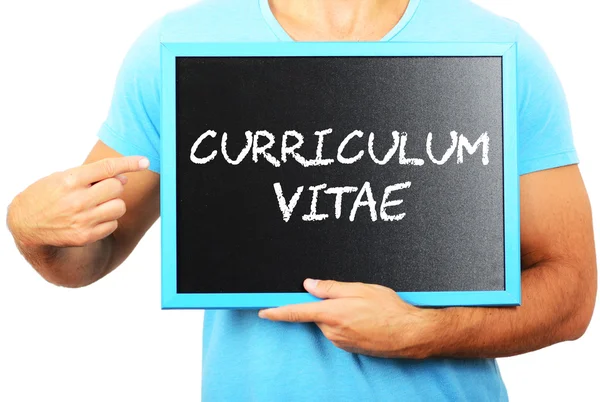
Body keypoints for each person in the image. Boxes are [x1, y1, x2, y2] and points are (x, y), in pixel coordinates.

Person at [6, 0, 597, 400]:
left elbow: (570, 294)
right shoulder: (179, 47)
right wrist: (31, 228)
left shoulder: (494, 48)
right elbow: (89, 258)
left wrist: (424, 332)